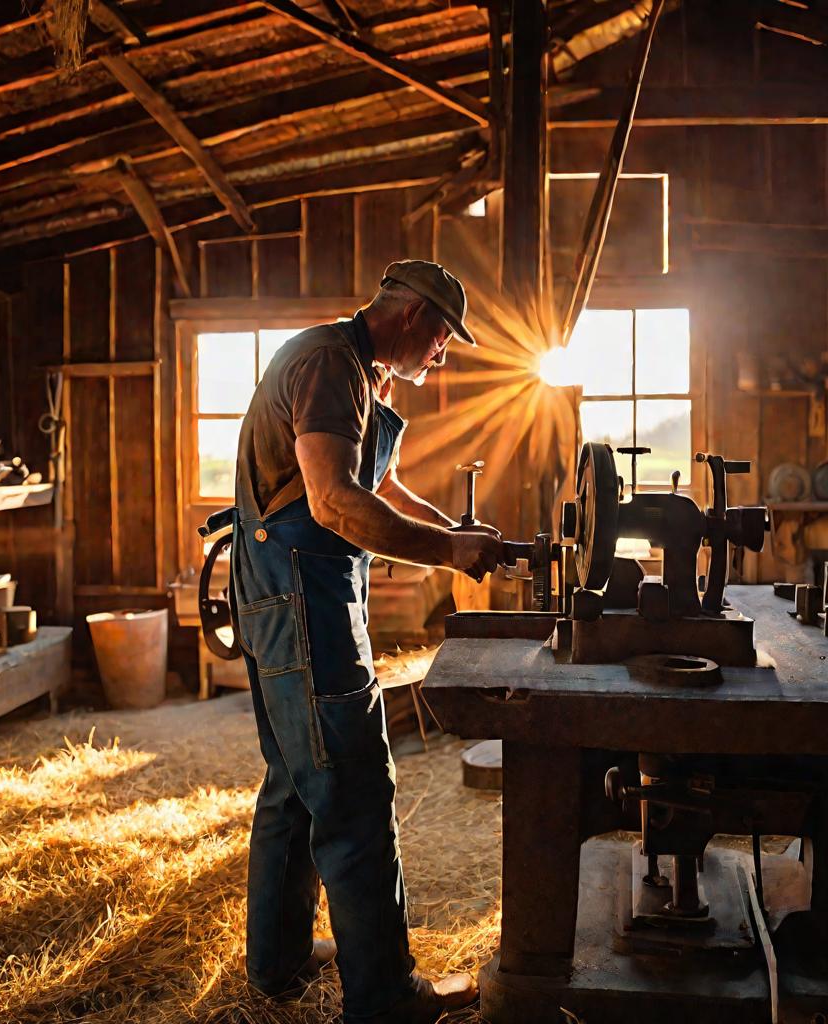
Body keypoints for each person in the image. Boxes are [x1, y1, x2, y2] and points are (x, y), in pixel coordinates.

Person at [229, 260, 504, 1022]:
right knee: (350, 788)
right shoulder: (328, 364)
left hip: (291, 587)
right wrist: (448, 557)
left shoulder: (359, 373)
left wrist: (455, 530)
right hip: (300, 593)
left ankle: (279, 962)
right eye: (444, 337)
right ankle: (385, 997)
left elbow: (379, 486)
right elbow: (337, 502)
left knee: (293, 783)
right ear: (414, 316)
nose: (442, 355)